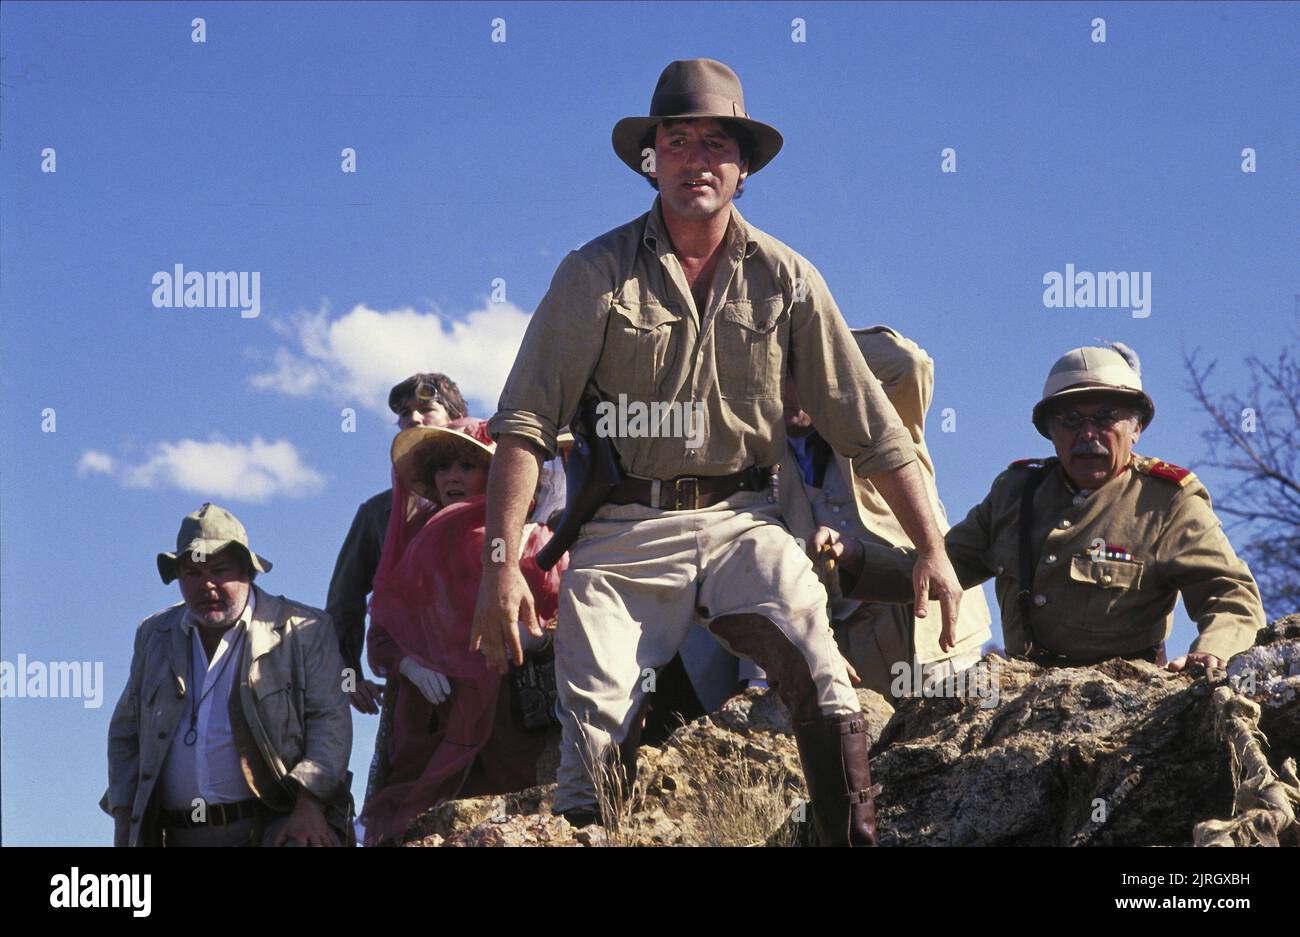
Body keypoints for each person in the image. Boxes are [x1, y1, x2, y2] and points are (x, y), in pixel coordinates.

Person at [474, 58, 965, 846]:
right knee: (590, 741)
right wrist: (501, 567)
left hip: (745, 517)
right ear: (651, 158)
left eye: (715, 144)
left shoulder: (790, 279)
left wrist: (933, 549)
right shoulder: (592, 274)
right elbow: (524, 425)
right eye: (677, 141)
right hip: (623, 529)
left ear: (742, 168)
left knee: (821, 670)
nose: (696, 159)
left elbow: (873, 429)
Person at [825, 343, 1266, 670]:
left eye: (1105, 417)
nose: (1087, 433)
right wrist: (855, 558)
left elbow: (1231, 595)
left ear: (1137, 428)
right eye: (1070, 420)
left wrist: (1214, 650)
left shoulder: (1167, 501)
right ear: (1049, 431)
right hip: (1025, 695)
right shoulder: (1017, 493)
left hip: (1128, 699)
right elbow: (937, 569)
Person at [360, 418, 564, 845]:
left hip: (519, 725)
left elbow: (574, 621)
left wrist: (538, 640)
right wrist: (411, 665)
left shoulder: (537, 538)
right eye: (443, 466)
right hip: (436, 724)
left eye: (467, 465)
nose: (452, 475)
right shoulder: (418, 544)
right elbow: (384, 628)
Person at [103, 503, 352, 846]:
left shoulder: (305, 630)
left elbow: (330, 720)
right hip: (173, 834)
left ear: (247, 572)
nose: (207, 585)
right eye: (193, 574)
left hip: (274, 827)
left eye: (219, 571)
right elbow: (125, 734)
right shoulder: (154, 635)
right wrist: (123, 827)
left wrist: (310, 806)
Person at [783, 326, 993, 699]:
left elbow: (908, 363)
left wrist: (807, 330)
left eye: (801, 370)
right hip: (856, 642)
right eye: (777, 372)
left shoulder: (881, 416)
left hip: (936, 628)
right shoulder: (756, 459)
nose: (792, 388)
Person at [327, 371, 467, 716]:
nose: (414, 417)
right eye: (405, 413)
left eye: (426, 408)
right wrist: (349, 676)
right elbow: (344, 602)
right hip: (410, 677)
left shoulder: (498, 493)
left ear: (456, 417)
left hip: (492, 668)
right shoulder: (378, 512)